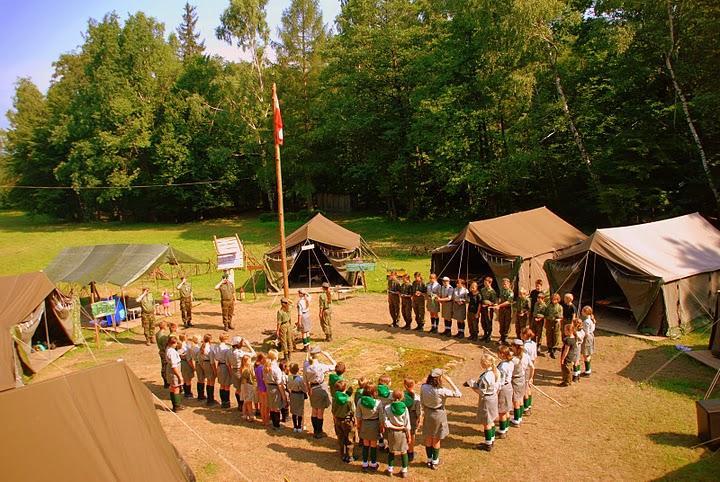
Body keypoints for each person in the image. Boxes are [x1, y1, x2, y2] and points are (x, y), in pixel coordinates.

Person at [420, 368, 461, 470]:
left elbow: (422, 400)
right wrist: (450, 381)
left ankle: (429, 460)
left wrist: (424, 411)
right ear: (439, 379)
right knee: (436, 439)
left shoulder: (423, 387)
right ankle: (435, 462)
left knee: (429, 437)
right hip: (439, 414)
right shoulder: (442, 391)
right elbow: (458, 394)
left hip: (428, 413)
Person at [303, 345, 337, 439]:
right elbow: (335, 365)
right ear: (318, 355)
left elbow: (305, 379)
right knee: (320, 412)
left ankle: (315, 431)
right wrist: (327, 355)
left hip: (312, 388)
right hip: (320, 387)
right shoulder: (321, 366)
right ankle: (319, 431)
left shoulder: (306, 365)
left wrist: (308, 389)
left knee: (314, 410)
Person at [468, 354, 499, 451]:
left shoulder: (486, 377)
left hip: (487, 400)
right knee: (492, 420)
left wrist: (472, 386)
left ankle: (488, 444)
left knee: (487, 423)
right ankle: (492, 439)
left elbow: (481, 392)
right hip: (493, 397)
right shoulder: (494, 372)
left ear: (484, 364)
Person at [384, 390, 412, 478]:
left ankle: (390, 469)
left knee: (391, 451)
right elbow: (407, 423)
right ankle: (404, 471)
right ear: (402, 398)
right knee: (403, 451)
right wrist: (409, 434)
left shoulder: (387, 407)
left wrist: (393, 426)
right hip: (402, 432)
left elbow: (386, 422)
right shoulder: (404, 408)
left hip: (392, 431)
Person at [356, 382, 381, 471]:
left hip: (364, 424)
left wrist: (358, 426)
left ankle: (365, 463)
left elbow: (358, 416)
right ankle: (373, 464)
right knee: (373, 445)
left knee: (365, 444)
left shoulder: (360, 401)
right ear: (374, 392)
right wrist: (382, 427)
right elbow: (381, 417)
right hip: (374, 424)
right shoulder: (378, 403)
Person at [228, 336, 256, 410]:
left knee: (238, 389)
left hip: (234, 370)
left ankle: (240, 405)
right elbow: (254, 354)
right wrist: (248, 345)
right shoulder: (239, 353)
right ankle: (243, 405)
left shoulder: (229, 351)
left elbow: (228, 362)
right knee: (242, 389)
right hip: (240, 371)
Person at [332, 379, 356, 463]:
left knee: (341, 437)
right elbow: (353, 410)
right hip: (347, 421)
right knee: (349, 438)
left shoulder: (334, 398)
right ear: (345, 388)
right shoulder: (349, 399)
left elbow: (333, 410)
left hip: (338, 420)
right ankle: (350, 456)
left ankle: (342, 454)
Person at [265, 349, 288, 430]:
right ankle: (277, 425)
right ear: (275, 357)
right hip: (275, 388)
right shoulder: (276, 368)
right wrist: (283, 396)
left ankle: (274, 423)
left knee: (272, 406)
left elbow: (264, 379)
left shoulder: (266, 366)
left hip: (269, 387)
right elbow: (279, 383)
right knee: (276, 408)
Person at [495, 346, 513, 440]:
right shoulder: (510, 362)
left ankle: (502, 431)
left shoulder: (503, 366)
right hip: (509, 386)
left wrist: (496, 391)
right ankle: (506, 428)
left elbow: (501, 381)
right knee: (506, 409)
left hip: (504, 388)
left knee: (502, 411)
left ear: (502, 354)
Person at [510, 339, 529, 426]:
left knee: (516, 400)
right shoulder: (525, 356)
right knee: (520, 398)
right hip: (523, 378)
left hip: (516, 380)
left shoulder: (514, 360)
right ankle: (520, 417)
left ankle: (516, 419)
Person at [165, 336, 183, 412]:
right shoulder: (172, 352)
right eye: (175, 343)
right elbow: (174, 366)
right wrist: (179, 376)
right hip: (174, 371)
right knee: (176, 387)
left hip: (170, 369)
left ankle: (175, 405)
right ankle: (177, 406)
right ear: (172, 343)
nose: (176, 345)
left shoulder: (168, 349)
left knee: (172, 387)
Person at [287, 362, 307, 432]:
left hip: (292, 394)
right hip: (299, 395)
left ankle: (295, 426)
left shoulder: (289, 378)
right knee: (300, 411)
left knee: (294, 411)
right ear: (298, 370)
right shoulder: (299, 379)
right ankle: (299, 427)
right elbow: (304, 389)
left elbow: (288, 387)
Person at [198, 334, 217, 405]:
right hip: (209, 364)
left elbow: (199, 358)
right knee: (211, 382)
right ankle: (211, 399)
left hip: (204, 364)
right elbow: (212, 361)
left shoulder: (202, 347)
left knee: (208, 382)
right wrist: (215, 371)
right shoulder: (209, 348)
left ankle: (209, 398)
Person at [521, 327, 537, 413]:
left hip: (526, 366)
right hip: (531, 365)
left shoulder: (525, 346)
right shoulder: (534, 343)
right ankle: (529, 405)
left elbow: (523, 357)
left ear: (524, 335)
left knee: (525, 388)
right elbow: (534, 357)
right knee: (529, 387)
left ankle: (526, 407)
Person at [494, 278, 514, 345]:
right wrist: (497, 303)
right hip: (501, 310)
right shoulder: (502, 290)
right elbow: (499, 298)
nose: (504, 285)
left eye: (505, 284)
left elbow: (508, 302)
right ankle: (501, 337)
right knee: (501, 323)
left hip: (507, 309)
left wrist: (499, 305)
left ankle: (505, 338)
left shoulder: (510, 292)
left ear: (509, 284)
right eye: (503, 284)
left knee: (507, 324)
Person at [215, 333, 233, 408]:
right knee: (226, 386)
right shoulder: (226, 348)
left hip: (219, 365)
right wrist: (230, 371)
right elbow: (228, 361)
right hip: (225, 366)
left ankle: (223, 401)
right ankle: (227, 402)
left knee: (222, 385)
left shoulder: (216, 347)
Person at [544, 293, 564, 358]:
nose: (554, 301)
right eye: (553, 299)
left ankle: (554, 349)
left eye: (555, 300)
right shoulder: (549, 306)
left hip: (556, 322)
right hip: (549, 322)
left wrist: (559, 319)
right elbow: (546, 314)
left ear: (558, 300)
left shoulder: (560, 307)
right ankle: (549, 348)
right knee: (549, 334)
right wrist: (546, 319)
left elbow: (561, 316)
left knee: (556, 335)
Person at [376, 375, 393, 450]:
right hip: (387, 414)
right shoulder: (391, 394)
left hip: (378, 413)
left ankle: (381, 443)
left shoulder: (375, 392)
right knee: (388, 430)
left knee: (379, 429)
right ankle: (389, 446)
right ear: (387, 383)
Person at [239, 355, 257, 422]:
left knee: (245, 401)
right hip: (247, 386)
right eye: (249, 360)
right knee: (248, 401)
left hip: (246, 386)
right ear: (245, 361)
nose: (250, 362)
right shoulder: (245, 370)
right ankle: (250, 415)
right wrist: (246, 390)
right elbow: (244, 381)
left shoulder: (246, 368)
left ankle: (244, 414)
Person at [480, 277, 497, 342]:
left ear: (490, 282)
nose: (484, 283)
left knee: (488, 322)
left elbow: (494, 302)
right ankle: (485, 334)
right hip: (483, 308)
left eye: (486, 282)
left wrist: (488, 304)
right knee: (483, 322)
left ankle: (489, 335)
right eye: (484, 281)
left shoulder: (492, 292)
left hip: (489, 309)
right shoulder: (482, 290)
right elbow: (481, 299)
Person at [580, 305, 596, 377]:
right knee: (588, 354)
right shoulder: (591, 319)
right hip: (591, 336)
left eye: (583, 311)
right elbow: (593, 328)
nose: (581, 312)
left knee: (586, 354)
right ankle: (588, 370)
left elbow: (585, 333)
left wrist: (580, 336)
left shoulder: (586, 321)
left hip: (587, 338)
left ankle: (587, 371)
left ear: (586, 312)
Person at [178, 333, 195, 399]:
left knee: (184, 378)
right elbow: (188, 359)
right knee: (188, 380)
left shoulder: (179, 345)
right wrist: (193, 367)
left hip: (181, 363)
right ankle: (188, 393)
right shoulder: (186, 347)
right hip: (186, 363)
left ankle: (185, 392)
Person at [255, 353, 269, 424]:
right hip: (265, 388)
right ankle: (266, 420)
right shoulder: (264, 368)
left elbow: (257, 379)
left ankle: (263, 420)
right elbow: (265, 379)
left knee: (262, 405)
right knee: (266, 406)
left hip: (260, 387)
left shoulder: (257, 368)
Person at [190, 334, 205, 400]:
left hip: (196, 363)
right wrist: (203, 367)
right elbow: (199, 358)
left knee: (200, 380)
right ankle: (201, 395)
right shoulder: (197, 348)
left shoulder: (192, 347)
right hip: (199, 364)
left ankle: (200, 394)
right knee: (201, 380)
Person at [155, 320, 169, 388]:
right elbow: (165, 346)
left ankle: (166, 382)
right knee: (165, 367)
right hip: (164, 352)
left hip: (161, 351)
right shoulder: (163, 337)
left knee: (163, 367)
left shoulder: (157, 334)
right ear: (164, 327)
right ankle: (166, 382)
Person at [573, 318, 585, 383]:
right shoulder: (582, 331)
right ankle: (578, 375)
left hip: (576, 347)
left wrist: (574, 332)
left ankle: (575, 376)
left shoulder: (577, 333)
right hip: (579, 347)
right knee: (577, 361)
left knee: (575, 362)